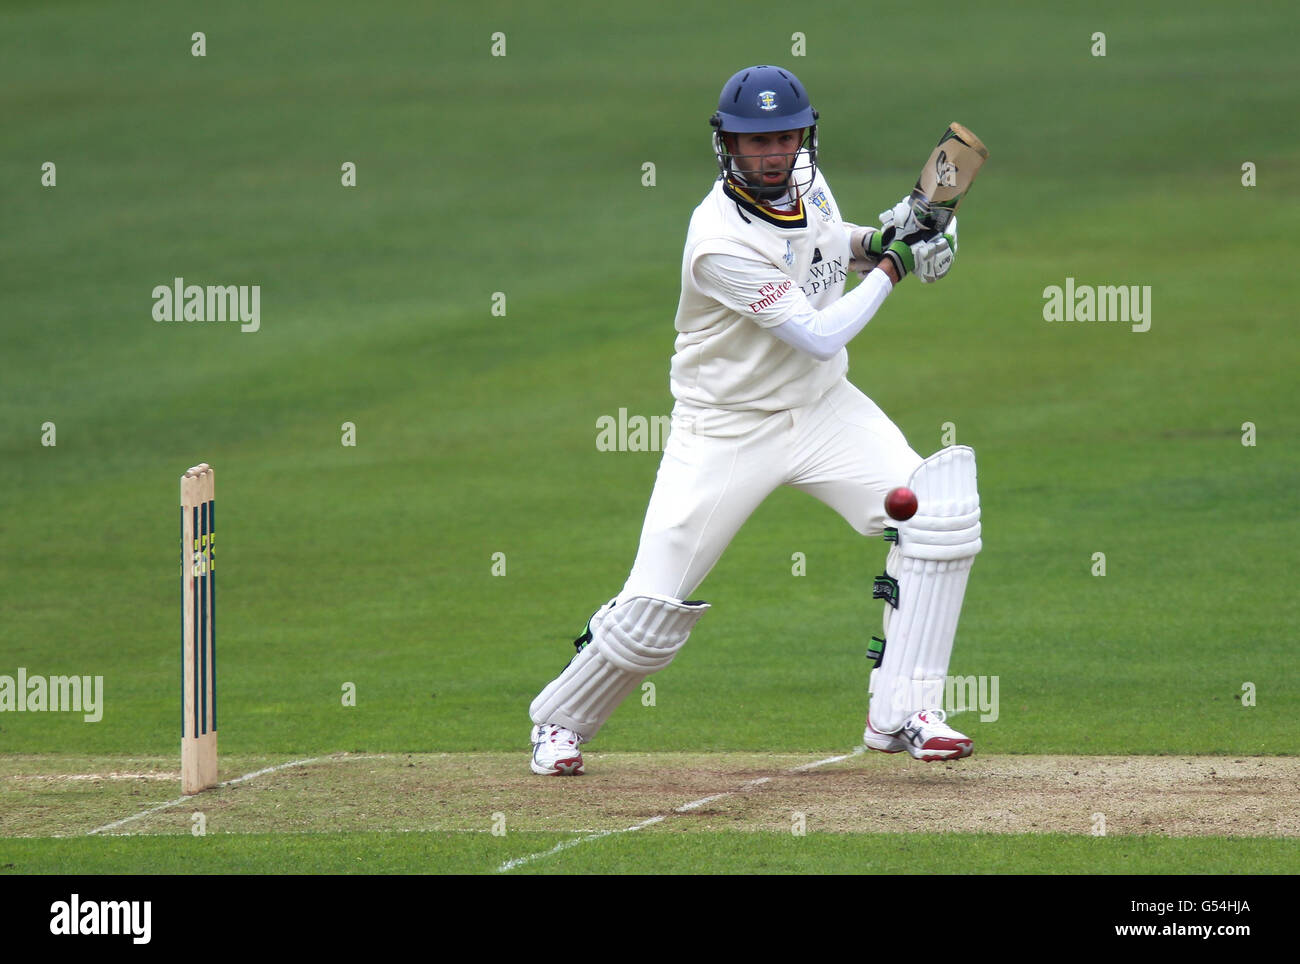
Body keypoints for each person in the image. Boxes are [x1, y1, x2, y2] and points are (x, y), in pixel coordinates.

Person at [528, 65, 982, 775]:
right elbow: (821, 332)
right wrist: (897, 265)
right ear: (728, 147)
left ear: (804, 135)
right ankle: (559, 722)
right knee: (652, 605)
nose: (773, 153)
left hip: (824, 409)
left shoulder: (809, 184)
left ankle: (905, 713)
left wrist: (898, 235)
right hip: (727, 429)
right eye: (755, 141)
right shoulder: (718, 242)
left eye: (785, 137)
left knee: (937, 514)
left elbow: (833, 249)